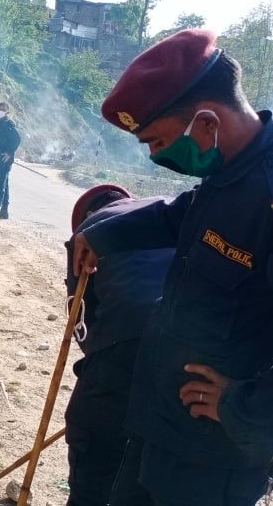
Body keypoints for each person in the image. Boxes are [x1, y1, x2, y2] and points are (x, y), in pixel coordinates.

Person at [70, 29, 273, 505]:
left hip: (219, 454)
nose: (155, 156)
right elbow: (178, 215)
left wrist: (244, 407)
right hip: (162, 424)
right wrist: (101, 235)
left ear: (206, 121)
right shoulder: (227, 172)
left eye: (156, 141)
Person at [63, 184, 174, 506]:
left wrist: (104, 370)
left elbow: (81, 320)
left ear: (85, 214)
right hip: (188, 348)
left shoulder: (89, 232)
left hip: (125, 350)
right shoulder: (163, 208)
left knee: (93, 457)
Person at [0, 101, 21, 220]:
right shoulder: (0, 123)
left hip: (3, 158)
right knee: (4, 185)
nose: (0, 110)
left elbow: (17, 139)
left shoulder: (7, 123)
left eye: (3, 109)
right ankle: (4, 211)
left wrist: (9, 152)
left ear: (7, 111)